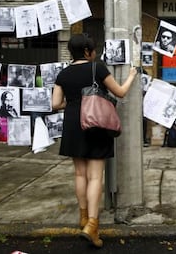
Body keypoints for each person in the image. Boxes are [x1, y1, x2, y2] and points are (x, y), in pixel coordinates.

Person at [52, 34, 137, 248]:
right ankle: (92, 224)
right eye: (94, 50)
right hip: (95, 123)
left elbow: (55, 104)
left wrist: (73, 103)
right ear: (88, 51)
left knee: (80, 174)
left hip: (73, 124)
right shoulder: (96, 68)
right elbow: (120, 92)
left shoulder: (63, 73)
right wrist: (131, 76)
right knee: (96, 177)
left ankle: (83, 219)